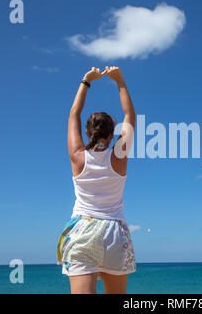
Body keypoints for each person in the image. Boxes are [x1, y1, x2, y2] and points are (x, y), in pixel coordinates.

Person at [56, 66, 136, 294]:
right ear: (112, 135)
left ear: (88, 133)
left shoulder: (78, 158)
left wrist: (86, 81)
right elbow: (130, 116)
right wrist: (120, 80)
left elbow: (73, 113)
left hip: (83, 229)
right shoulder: (118, 157)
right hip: (114, 234)